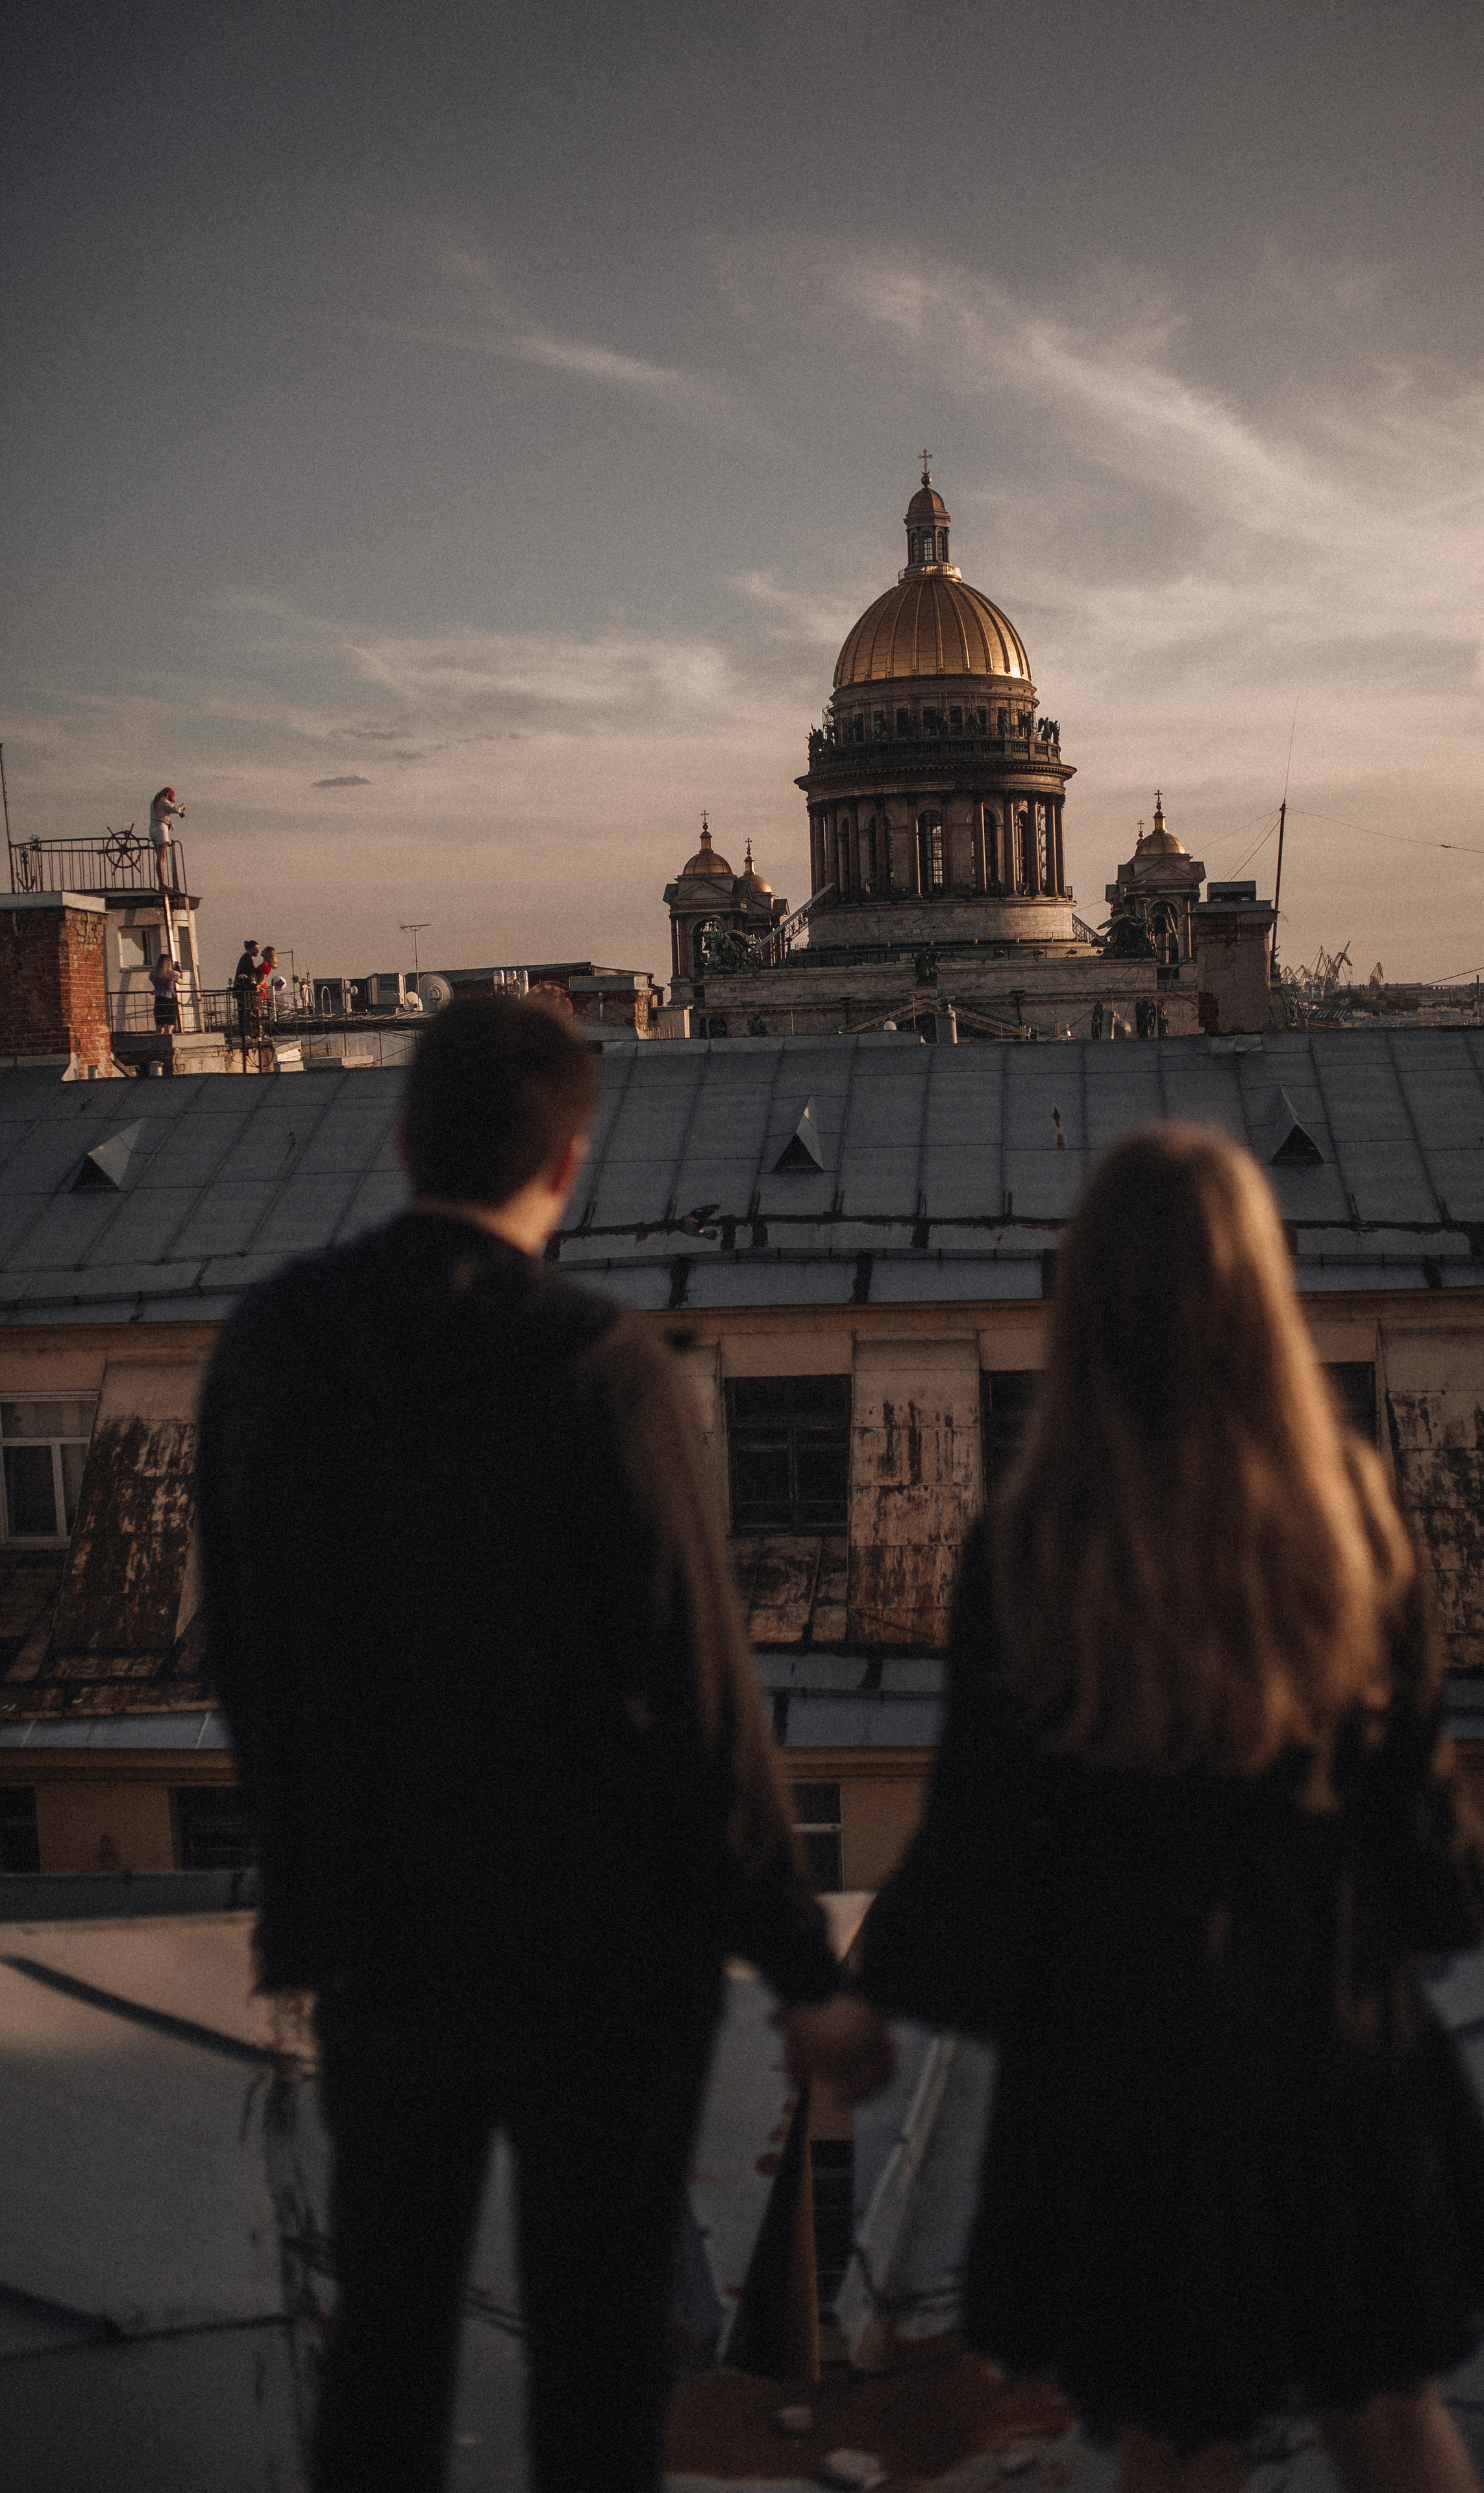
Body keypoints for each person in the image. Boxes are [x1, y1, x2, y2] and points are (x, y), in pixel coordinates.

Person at [198, 995, 891, 2493]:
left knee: (382, 2346)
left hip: (381, 1937)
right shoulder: (599, 1364)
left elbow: (246, 1651)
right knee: (597, 2365)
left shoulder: (271, 1346)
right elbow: (704, 1700)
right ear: (569, 1164)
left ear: (400, 1141)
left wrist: (309, 1882)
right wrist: (804, 1973)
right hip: (602, 1962)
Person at [857, 1125, 1484, 2493]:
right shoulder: (1346, 1507)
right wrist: (1416, 1923)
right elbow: (1415, 1798)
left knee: (1174, 2440)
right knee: (1389, 2415)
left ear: (1083, 1300)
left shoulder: (1035, 1532)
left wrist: (871, 2000)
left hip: (1121, 2059)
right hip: (1325, 2036)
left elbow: (980, 1827)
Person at [150, 954, 180, 1031]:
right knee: (169, 1027)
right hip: (170, 1000)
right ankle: (168, 1041)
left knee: (159, 1027)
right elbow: (181, 982)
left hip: (159, 999)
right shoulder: (172, 974)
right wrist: (180, 972)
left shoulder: (153, 974)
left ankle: (158, 1042)